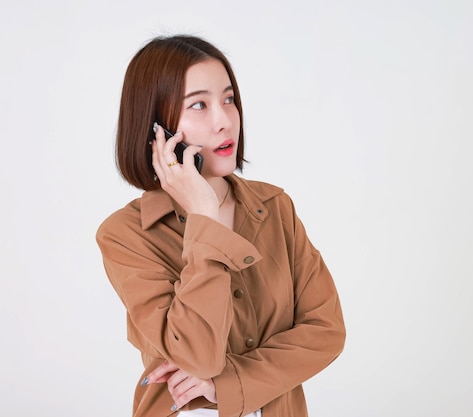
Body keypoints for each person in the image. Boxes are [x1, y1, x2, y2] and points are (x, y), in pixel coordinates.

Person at [95, 34, 346, 417]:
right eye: (199, 105)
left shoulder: (275, 207)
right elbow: (197, 354)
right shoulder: (125, 235)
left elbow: (326, 331)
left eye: (229, 100)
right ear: (155, 130)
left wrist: (228, 385)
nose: (223, 121)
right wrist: (203, 217)